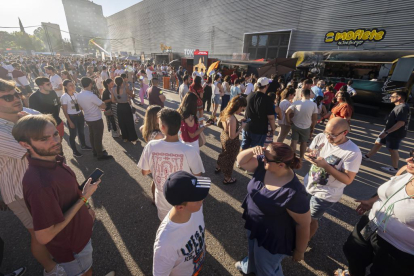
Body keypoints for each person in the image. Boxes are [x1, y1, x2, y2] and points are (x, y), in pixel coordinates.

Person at [12, 114, 114, 276]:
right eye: (44, 139)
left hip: (79, 234)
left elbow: (70, 194)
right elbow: (44, 236)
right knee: (85, 272)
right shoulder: (39, 183)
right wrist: (84, 198)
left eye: (55, 134)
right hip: (72, 247)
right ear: (25, 144)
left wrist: (86, 206)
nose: (55, 141)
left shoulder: (54, 160)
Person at [0, 79, 58, 276]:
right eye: (7, 97)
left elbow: (53, 131)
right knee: (38, 233)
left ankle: (57, 259)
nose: (16, 99)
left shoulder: (28, 113)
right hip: (19, 190)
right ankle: (51, 269)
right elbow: (37, 151)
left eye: (16, 93)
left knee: (51, 226)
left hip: (45, 182)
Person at [235, 143, 310, 276]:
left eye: (266, 158)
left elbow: (303, 224)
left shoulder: (294, 192)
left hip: (273, 237)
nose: (262, 158)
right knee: (252, 251)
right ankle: (249, 268)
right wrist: (253, 149)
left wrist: (300, 250)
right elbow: (241, 161)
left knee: (266, 268)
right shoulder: (265, 166)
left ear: (281, 164)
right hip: (254, 224)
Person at [342, 156, 414, 276]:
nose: (408, 160)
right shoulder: (406, 170)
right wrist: (372, 201)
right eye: (412, 153)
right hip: (372, 225)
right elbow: (390, 189)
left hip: (400, 248)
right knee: (353, 252)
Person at [137, 108, 205, 221]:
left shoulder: (151, 146)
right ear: (179, 126)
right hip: (184, 201)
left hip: (162, 201)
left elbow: (144, 171)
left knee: (166, 227)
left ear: (162, 127)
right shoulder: (190, 150)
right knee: (184, 227)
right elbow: (198, 176)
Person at [304, 118, 362, 239]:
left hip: (326, 193)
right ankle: (300, 236)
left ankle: (303, 243)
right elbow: (307, 153)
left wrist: (326, 166)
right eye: (326, 132)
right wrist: (309, 157)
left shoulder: (353, 152)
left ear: (344, 133)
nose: (328, 137)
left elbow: (348, 180)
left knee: (310, 220)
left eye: (333, 135)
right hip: (309, 183)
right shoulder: (321, 137)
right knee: (301, 215)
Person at [153, 171, 210, 276]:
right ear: (180, 207)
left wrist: (202, 245)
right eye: (197, 199)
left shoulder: (196, 209)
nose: (202, 199)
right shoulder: (166, 243)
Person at [362, 91, 411, 173]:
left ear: (398, 98)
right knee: (378, 142)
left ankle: (394, 168)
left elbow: (401, 123)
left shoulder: (402, 108)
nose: (390, 97)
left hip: (395, 133)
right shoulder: (400, 106)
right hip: (389, 130)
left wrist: (387, 132)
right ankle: (367, 156)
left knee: (393, 149)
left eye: (392, 96)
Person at [77, 77, 113, 160]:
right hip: (96, 118)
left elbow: (80, 107)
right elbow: (103, 105)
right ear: (90, 84)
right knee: (97, 137)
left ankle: (95, 151)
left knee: (92, 135)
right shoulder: (91, 95)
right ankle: (100, 154)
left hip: (88, 117)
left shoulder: (79, 95)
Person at [216, 95, 247, 184]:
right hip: (231, 142)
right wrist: (241, 127)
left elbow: (224, 125)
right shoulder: (232, 118)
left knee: (224, 153)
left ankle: (218, 166)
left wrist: (238, 122)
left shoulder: (225, 111)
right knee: (230, 160)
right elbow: (232, 136)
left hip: (223, 136)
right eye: (242, 109)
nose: (242, 111)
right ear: (239, 107)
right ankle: (227, 178)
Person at [241, 77, 276, 150]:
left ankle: (240, 161)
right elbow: (271, 117)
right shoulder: (267, 99)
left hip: (247, 127)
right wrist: (273, 128)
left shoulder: (250, 95)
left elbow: (245, 109)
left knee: (244, 148)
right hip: (259, 130)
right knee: (255, 151)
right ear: (266, 86)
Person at [140, 105, 164, 204]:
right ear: (156, 118)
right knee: (159, 181)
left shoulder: (145, 128)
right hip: (159, 159)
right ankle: (159, 200)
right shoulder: (159, 135)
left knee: (155, 180)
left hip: (152, 157)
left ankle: (154, 199)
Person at [61, 79, 91, 157]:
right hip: (72, 117)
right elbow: (64, 111)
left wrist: (83, 113)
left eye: (73, 84)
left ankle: (83, 146)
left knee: (81, 132)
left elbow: (80, 106)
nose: (73, 86)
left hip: (79, 115)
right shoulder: (64, 97)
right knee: (73, 135)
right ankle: (74, 151)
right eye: (70, 85)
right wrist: (70, 121)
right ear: (66, 87)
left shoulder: (76, 94)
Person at [286, 89, 318, 159]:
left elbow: (287, 112)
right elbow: (315, 118)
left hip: (295, 125)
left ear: (301, 95)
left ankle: (292, 157)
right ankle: (301, 158)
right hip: (306, 127)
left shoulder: (296, 102)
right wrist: (312, 127)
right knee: (304, 143)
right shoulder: (314, 105)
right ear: (309, 96)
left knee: (294, 141)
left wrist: (288, 121)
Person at [111, 77, 138, 143]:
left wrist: (118, 101)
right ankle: (133, 138)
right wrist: (133, 92)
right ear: (122, 82)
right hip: (126, 106)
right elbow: (132, 95)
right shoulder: (125, 88)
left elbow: (113, 100)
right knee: (129, 122)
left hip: (119, 107)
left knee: (122, 122)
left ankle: (125, 138)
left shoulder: (112, 89)